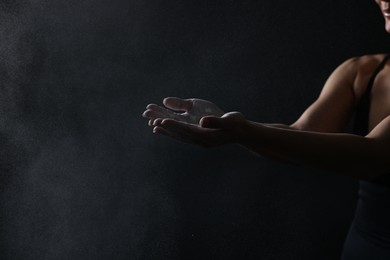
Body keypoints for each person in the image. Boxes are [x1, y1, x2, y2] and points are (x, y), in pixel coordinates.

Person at [142, 1, 390, 259]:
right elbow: (301, 135)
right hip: (363, 246)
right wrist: (228, 126)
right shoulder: (361, 71)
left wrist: (245, 132)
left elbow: (373, 156)